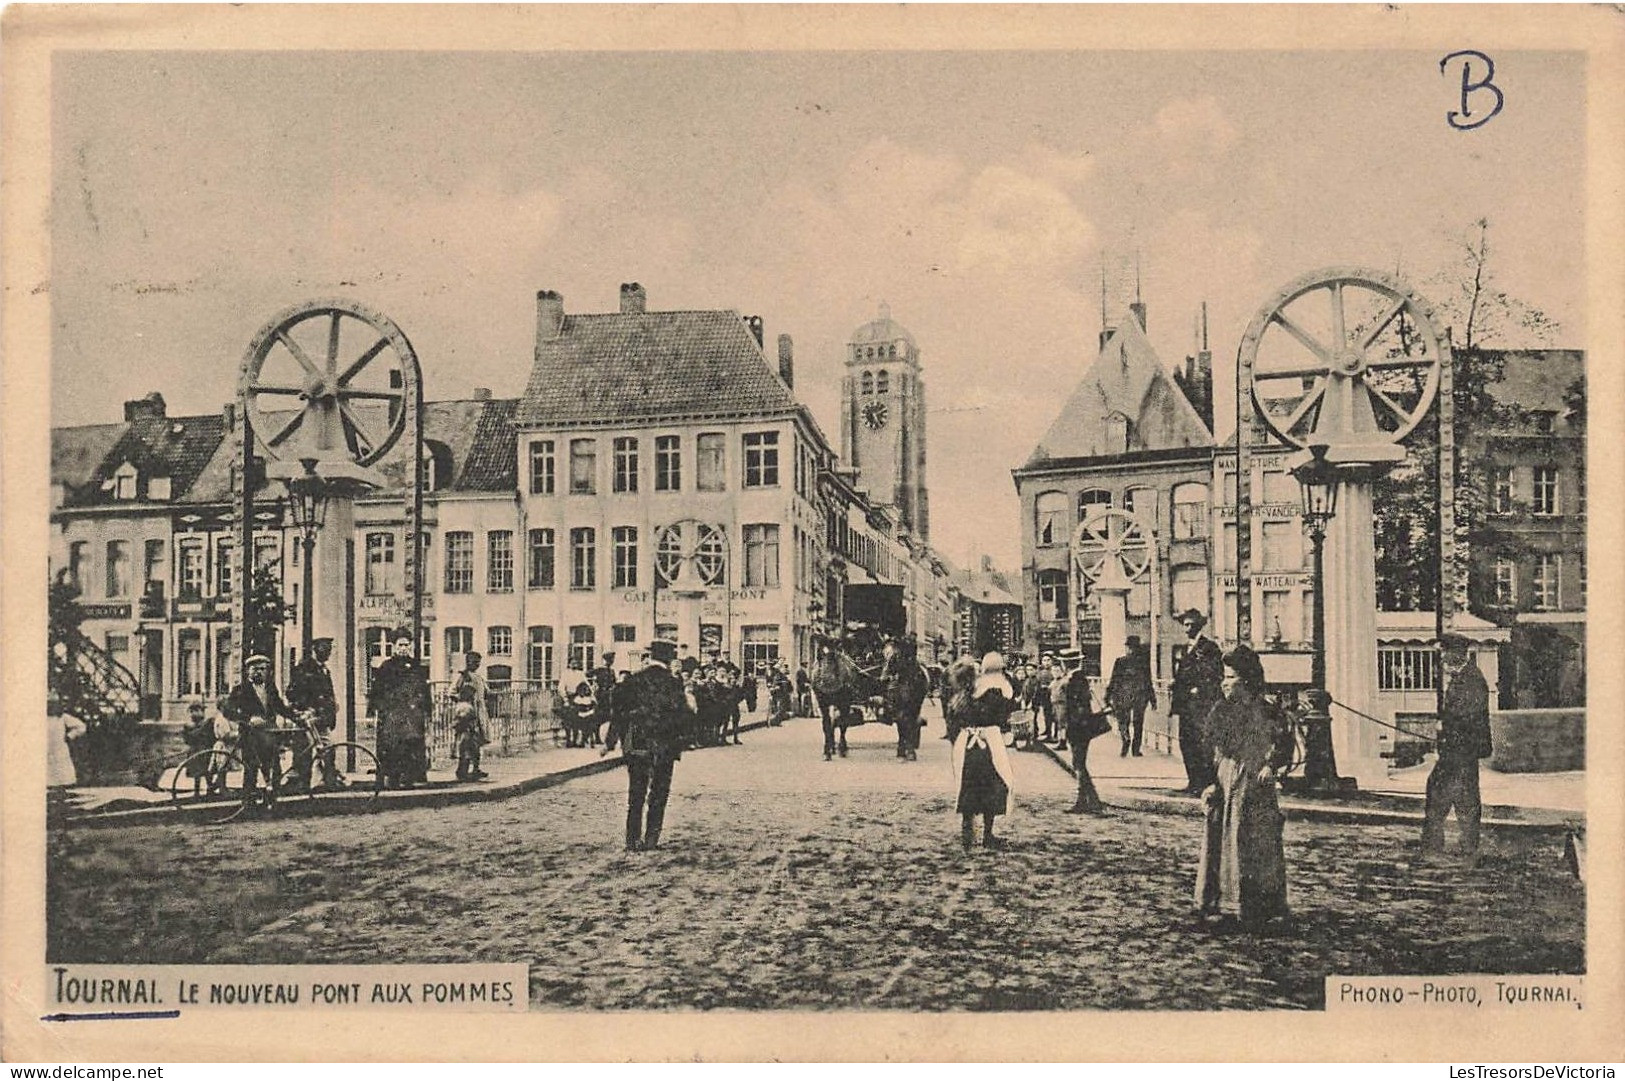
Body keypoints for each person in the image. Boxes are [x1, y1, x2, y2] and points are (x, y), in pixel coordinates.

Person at [1195, 645, 1289, 926]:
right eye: (1224, 677)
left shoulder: (1267, 710)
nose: (1224, 682)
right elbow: (1205, 749)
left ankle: (1263, 904)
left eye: (1231, 677)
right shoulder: (1220, 711)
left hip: (1257, 783)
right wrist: (1209, 783)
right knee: (1224, 836)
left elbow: (1283, 741)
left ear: (1246, 680)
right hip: (1227, 779)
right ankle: (1221, 901)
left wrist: (1271, 766)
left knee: (1259, 840)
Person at [604, 641, 692, 851]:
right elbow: (682, 716)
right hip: (664, 745)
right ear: (669, 658)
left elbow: (617, 710)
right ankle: (652, 839)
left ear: (651, 656)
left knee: (636, 793)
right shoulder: (673, 683)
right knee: (659, 792)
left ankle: (632, 840)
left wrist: (611, 741)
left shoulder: (633, 680)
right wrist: (683, 739)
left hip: (638, 744)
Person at [1421, 634, 1494, 860]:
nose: (1442, 656)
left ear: (1457, 653)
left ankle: (1449, 843)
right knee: (1454, 793)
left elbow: (1467, 716)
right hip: (1456, 748)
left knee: (1456, 794)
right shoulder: (1462, 677)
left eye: (1445, 651)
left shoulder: (1471, 679)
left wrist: (1445, 725)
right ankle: (1448, 842)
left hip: (1462, 749)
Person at [952, 653, 1018, 851]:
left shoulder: (964, 694)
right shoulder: (998, 690)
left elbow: (955, 720)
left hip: (967, 743)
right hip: (988, 742)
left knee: (968, 786)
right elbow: (1004, 715)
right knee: (994, 785)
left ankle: (967, 834)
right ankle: (988, 835)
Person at [220, 653, 297, 796]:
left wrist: (297, 717)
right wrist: (248, 719)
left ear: (267, 671)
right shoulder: (240, 690)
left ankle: (273, 802)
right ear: (248, 671)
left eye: (262, 669)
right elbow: (227, 711)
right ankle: (248, 803)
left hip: (270, 734)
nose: (259, 672)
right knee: (251, 769)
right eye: (255, 669)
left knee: (274, 768)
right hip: (251, 736)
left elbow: (280, 707)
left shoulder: (270, 688)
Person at [369, 629, 433, 789]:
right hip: (393, 716)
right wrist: (377, 710)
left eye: (406, 645)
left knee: (412, 745)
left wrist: (427, 710)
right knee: (392, 746)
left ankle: (410, 777)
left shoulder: (416, 666)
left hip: (412, 716)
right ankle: (392, 778)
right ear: (394, 646)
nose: (403, 648)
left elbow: (424, 690)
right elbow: (377, 692)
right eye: (400, 645)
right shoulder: (386, 666)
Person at [1171, 609, 1224, 794]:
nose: (1187, 629)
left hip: (1201, 705)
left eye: (1190, 625)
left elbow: (1214, 674)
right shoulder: (1188, 647)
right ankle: (1193, 781)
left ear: (1199, 626)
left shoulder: (1209, 647)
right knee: (1186, 742)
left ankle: (1205, 783)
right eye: (1185, 625)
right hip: (1186, 705)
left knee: (1201, 744)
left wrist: (1198, 688)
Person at [1054, 648, 1109, 814]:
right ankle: (1091, 800)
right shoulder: (1077, 678)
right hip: (1079, 726)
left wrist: (1071, 725)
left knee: (1078, 763)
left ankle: (1086, 801)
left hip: (1079, 727)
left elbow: (1078, 707)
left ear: (1066, 663)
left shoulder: (1076, 680)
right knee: (1079, 763)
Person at [286, 637, 339, 790]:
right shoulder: (303, 668)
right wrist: (306, 708)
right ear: (315, 649)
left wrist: (332, 705)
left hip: (321, 718)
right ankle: (302, 781)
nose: (327, 653)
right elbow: (293, 693)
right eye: (324, 649)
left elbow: (327, 693)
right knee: (305, 749)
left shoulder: (324, 670)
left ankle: (326, 780)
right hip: (308, 717)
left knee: (327, 747)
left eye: (329, 650)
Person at [1107, 636, 1156, 758]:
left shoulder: (1120, 661)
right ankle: (1136, 750)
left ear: (1128, 648)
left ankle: (1125, 738)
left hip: (1124, 695)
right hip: (1140, 695)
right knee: (1138, 723)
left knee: (1123, 720)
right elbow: (1148, 681)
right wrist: (1153, 699)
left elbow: (1114, 680)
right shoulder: (1144, 662)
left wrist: (1108, 695)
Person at [883, 638, 931, 761]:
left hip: (911, 684)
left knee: (911, 717)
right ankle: (903, 746)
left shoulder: (907, 655)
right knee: (901, 718)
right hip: (900, 684)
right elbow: (889, 670)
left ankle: (908, 747)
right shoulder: (895, 654)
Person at [452, 650, 491, 781]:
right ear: (468, 662)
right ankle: (462, 770)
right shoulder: (462, 677)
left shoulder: (479, 678)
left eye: (478, 662)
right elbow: (452, 692)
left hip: (479, 714)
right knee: (465, 742)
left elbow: (486, 692)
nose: (476, 665)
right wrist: (462, 698)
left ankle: (476, 769)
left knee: (477, 742)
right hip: (467, 714)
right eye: (473, 662)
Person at [180, 701, 218, 796]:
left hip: (205, 750)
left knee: (207, 771)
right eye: (198, 710)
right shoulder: (189, 726)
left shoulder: (207, 724)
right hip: (196, 751)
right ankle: (197, 791)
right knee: (197, 772)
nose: (201, 713)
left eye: (202, 711)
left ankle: (210, 788)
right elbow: (188, 739)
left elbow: (212, 737)